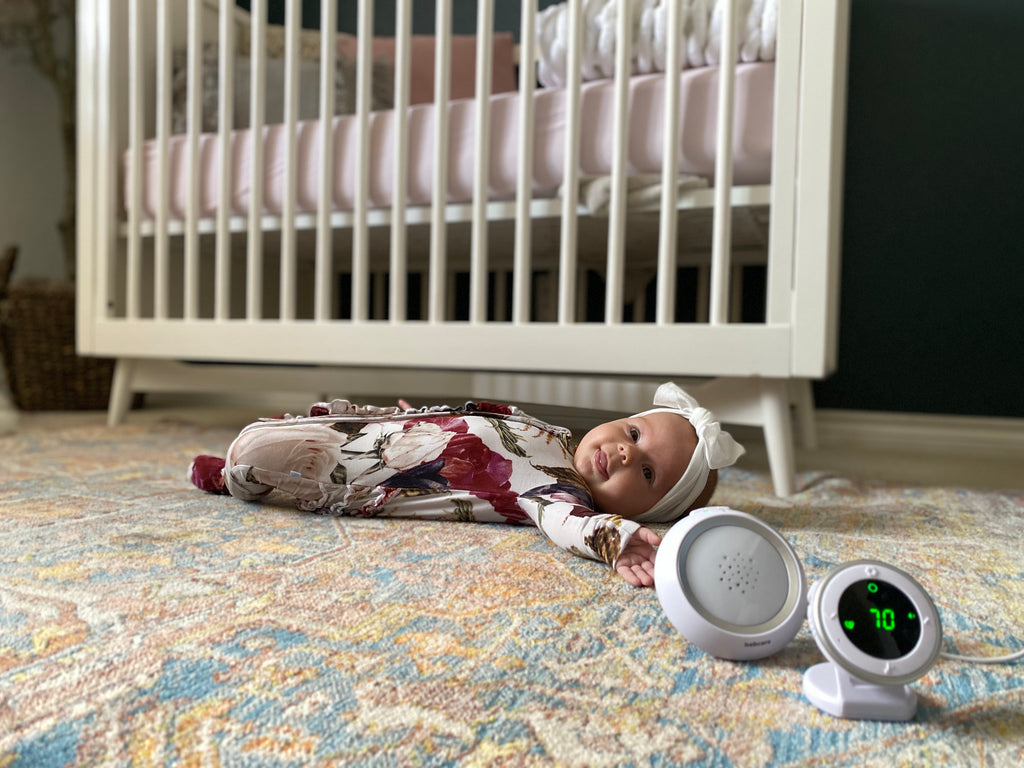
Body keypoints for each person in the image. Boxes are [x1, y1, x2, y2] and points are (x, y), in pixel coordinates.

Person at [189, 382, 744, 588]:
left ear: (650, 508)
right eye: (633, 433)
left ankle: (230, 477)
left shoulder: (558, 494)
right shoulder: (554, 437)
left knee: (254, 448)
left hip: (361, 470)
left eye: (647, 473)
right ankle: (240, 464)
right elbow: (488, 421)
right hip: (389, 429)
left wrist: (616, 539)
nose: (625, 452)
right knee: (299, 423)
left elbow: (570, 527)